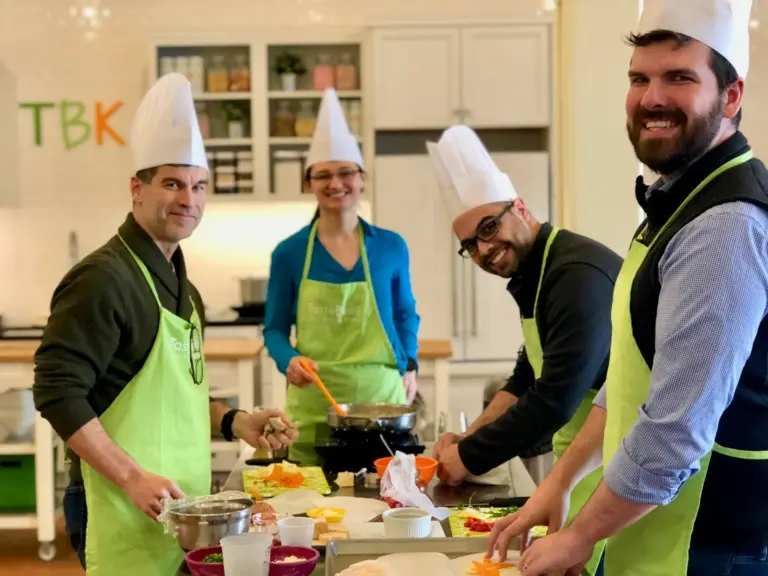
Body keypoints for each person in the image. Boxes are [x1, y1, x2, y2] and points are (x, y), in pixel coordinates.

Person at [487, 1, 768, 574]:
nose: (651, 98)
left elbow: (675, 431)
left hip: (707, 546)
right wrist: (560, 482)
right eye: (639, 78)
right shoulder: (676, 202)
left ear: (731, 96)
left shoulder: (723, 224)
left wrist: (580, 535)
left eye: (679, 77)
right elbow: (628, 378)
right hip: (651, 529)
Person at [32, 73, 296, 576]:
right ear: (137, 188)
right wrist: (131, 477)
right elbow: (56, 391)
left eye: (199, 186)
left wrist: (235, 421)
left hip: (181, 505)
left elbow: (176, 396)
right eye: (172, 184)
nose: (188, 200)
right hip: (118, 502)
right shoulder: (103, 278)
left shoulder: (184, 290)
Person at [427, 126, 621, 576]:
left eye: (489, 228)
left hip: (622, 467)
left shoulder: (575, 275)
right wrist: (467, 437)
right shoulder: (537, 272)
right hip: (584, 466)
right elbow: (526, 375)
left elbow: (554, 398)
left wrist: (469, 458)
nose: (484, 250)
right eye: (470, 245)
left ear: (519, 207)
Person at [264, 88, 420, 464]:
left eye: (346, 173)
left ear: (362, 178)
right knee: (310, 495)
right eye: (323, 175)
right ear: (309, 183)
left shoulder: (391, 247)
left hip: (382, 402)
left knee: (385, 492)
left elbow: (405, 314)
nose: (335, 183)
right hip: (315, 400)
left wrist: (411, 362)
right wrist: (288, 360)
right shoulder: (289, 253)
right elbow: (274, 330)